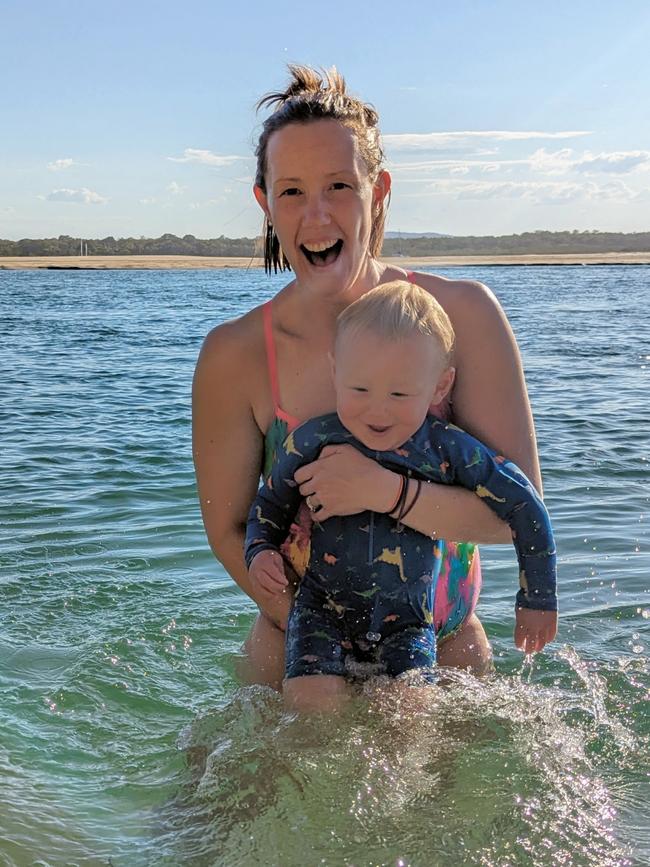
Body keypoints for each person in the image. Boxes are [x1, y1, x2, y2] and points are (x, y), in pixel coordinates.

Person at [192, 65, 557, 692]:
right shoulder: (235, 354)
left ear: (378, 189)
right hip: (294, 664)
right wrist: (324, 645)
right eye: (291, 191)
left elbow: (514, 515)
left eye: (339, 186)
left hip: (443, 661)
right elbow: (229, 532)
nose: (316, 217)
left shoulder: (464, 316)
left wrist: (388, 492)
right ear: (263, 201)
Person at [244, 282, 557, 712]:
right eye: (359, 390)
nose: (377, 410)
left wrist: (537, 598)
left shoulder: (449, 450)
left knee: (411, 715)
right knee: (308, 706)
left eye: (399, 394)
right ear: (335, 372)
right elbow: (269, 504)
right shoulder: (312, 440)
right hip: (321, 609)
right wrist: (259, 550)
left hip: (409, 621)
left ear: (439, 387)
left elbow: (525, 505)